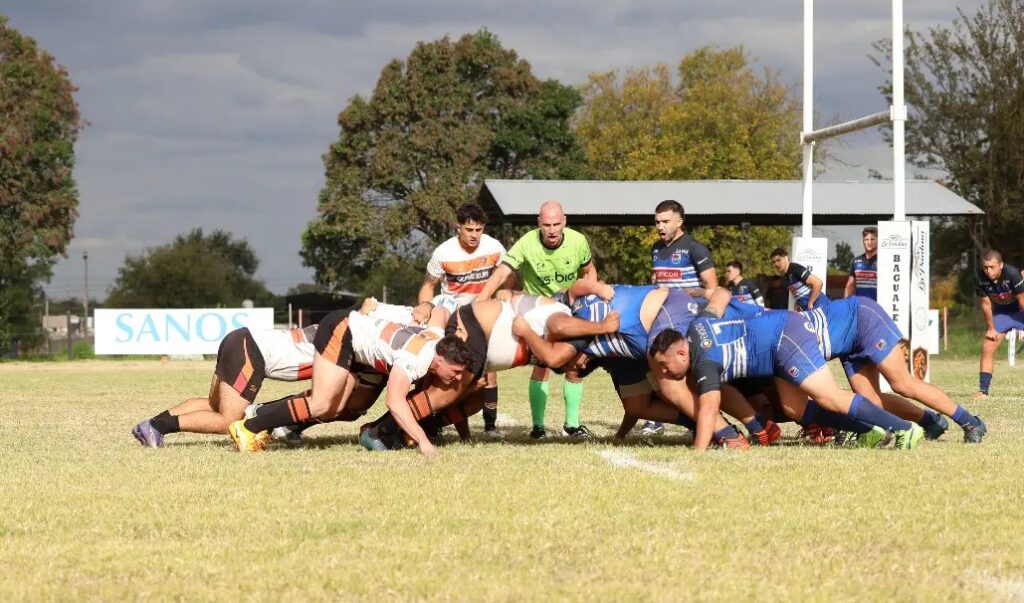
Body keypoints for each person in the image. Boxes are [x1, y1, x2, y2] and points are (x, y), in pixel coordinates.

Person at [648, 293, 925, 452]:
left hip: (785, 338)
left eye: (664, 364)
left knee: (829, 397)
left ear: (682, 352)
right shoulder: (698, 325)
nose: (663, 371)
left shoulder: (703, 362)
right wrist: (703, 293)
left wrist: (697, 455)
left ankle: (904, 429)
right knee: (796, 409)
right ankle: (869, 430)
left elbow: (708, 411)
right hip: (778, 335)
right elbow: (721, 294)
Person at [227, 309, 475, 457]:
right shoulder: (415, 360)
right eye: (454, 371)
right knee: (323, 404)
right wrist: (423, 441)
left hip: (356, 341)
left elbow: (440, 312)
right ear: (440, 359)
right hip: (342, 331)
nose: (456, 377)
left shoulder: (437, 339)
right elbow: (395, 402)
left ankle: (269, 417)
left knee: (350, 409)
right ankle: (248, 427)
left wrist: (430, 306)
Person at [475, 200, 597, 439]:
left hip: (569, 312)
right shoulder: (527, 242)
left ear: (564, 222)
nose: (552, 230)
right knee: (542, 368)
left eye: (556, 224)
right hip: (539, 312)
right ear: (539, 224)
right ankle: (538, 427)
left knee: (574, 367)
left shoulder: (578, 241)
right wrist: (481, 298)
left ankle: (572, 425)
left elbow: (589, 270)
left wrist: (591, 293)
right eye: (547, 224)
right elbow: (502, 271)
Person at [802, 296, 987, 443]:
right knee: (869, 402)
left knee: (902, 384)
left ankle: (970, 422)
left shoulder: (784, 331)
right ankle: (929, 421)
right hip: (848, 345)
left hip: (864, 319)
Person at [417, 203, 506, 436]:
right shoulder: (443, 252)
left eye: (479, 229)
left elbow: (507, 276)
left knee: (489, 368)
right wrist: (425, 306)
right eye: (469, 229)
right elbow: (428, 286)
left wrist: (506, 290)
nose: (474, 235)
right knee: (444, 369)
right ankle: (430, 415)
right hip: (453, 316)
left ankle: (490, 426)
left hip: (482, 314)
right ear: (458, 227)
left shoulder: (494, 248)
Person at [644, 199, 717, 436]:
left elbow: (712, 289)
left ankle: (699, 419)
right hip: (663, 320)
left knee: (690, 372)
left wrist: (687, 296)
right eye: (657, 222)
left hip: (689, 321)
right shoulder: (656, 249)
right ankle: (656, 421)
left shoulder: (695, 248)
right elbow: (658, 283)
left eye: (665, 221)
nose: (660, 227)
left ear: (679, 221)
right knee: (656, 364)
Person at [973, 249, 1024, 397]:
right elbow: (985, 304)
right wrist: (990, 328)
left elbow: (1022, 300)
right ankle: (983, 391)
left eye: (992, 267)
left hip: (1019, 310)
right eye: (985, 267)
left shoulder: (1012, 274)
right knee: (988, 345)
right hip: (1002, 312)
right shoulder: (979, 277)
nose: (988, 271)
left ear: (1000, 265)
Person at [770, 247, 829, 311]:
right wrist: (798, 304)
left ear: (786, 258)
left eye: (778, 260)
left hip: (820, 306)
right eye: (774, 262)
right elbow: (799, 293)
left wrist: (810, 303)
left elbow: (818, 283)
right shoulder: (786, 275)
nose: (776, 264)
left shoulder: (795, 268)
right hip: (809, 310)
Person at [844, 227, 878, 299]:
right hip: (861, 306)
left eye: (872, 239)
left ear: (877, 241)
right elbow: (850, 285)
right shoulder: (856, 261)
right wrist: (845, 305)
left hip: (878, 307)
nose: (869, 242)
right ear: (863, 241)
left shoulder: (883, 261)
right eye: (866, 239)